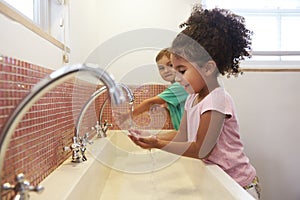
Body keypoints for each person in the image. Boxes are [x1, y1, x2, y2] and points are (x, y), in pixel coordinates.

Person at [128, 5, 261, 199]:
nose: (177, 77)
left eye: (182, 70)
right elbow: (183, 135)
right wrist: (153, 137)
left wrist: (157, 144)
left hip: (238, 185)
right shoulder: (192, 98)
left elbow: (201, 149)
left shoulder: (217, 99)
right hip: (217, 181)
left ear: (208, 68)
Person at [116, 48, 188, 130]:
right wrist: (164, 111)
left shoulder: (180, 86)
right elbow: (178, 119)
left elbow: (150, 102)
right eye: (161, 68)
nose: (166, 70)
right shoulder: (176, 88)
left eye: (170, 65)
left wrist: (128, 115)